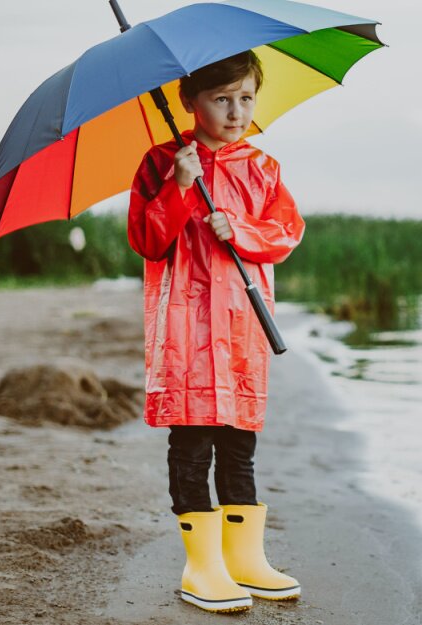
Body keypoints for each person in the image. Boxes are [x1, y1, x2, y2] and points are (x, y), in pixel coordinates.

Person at [126, 50, 305, 614]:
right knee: (193, 443)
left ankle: (245, 559)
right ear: (190, 101)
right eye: (221, 98)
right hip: (185, 328)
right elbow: (147, 240)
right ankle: (202, 567)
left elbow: (286, 231)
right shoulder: (162, 162)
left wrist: (243, 228)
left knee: (238, 444)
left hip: (242, 328)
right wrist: (179, 188)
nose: (235, 111)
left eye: (245, 98)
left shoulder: (263, 167)